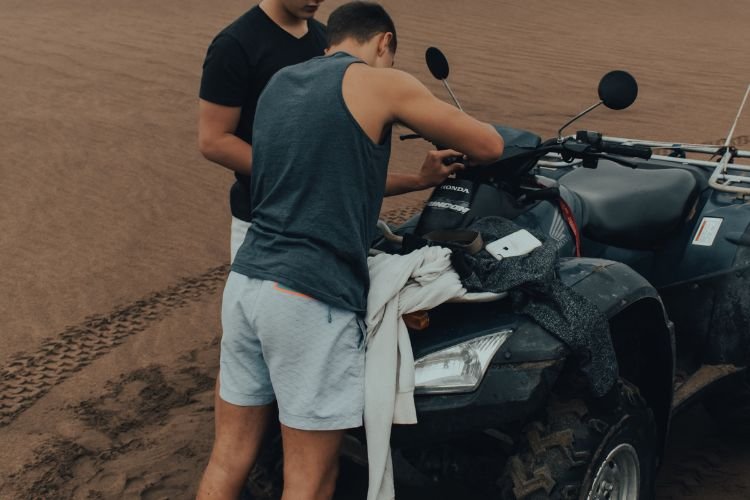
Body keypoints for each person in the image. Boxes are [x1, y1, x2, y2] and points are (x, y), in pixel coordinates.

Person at [196, 2, 504, 499]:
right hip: (308, 299)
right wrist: (424, 116)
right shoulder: (381, 80)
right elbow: (488, 145)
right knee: (312, 481)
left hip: (247, 283)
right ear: (383, 43)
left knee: (227, 457)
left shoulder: (281, 85)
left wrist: (420, 178)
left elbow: (323, 177)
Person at [199, 0, 468, 263]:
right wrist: (302, 174)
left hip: (336, 227)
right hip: (263, 225)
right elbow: (214, 140)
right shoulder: (235, 45)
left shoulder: (327, 41)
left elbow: (353, 142)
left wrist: (423, 168)